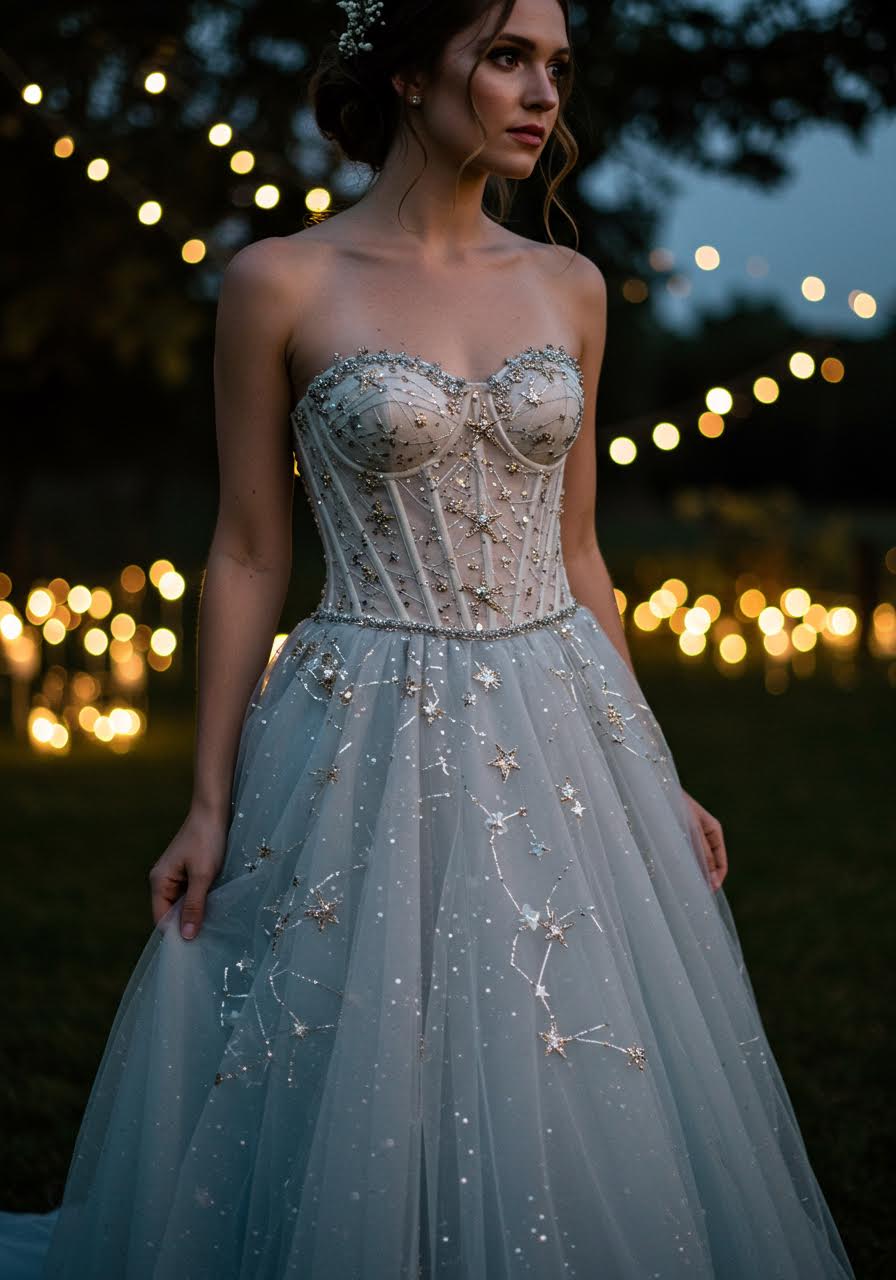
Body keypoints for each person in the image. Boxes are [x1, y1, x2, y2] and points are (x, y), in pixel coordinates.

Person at [0, 0, 855, 1276]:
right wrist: (205, 797)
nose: (541, 94)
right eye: (505, 56)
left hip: (560, 707)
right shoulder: (279, 278)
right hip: (356, 711)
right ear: (407, 72)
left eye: (556, 67)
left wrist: (653, 766)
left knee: (568, 1042)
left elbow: (577, 550)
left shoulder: (567, 283)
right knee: (349, 1048)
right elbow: (246, 546)